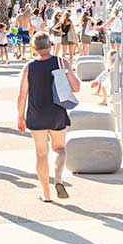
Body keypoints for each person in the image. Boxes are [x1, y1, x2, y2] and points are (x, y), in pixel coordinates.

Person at [17, 32, 80, 202]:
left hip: (36, 114)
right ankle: (58, 178)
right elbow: (76, 88)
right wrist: (67, 73)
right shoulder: (61, 62)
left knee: (41, 154)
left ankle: (45, 194)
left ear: (34, 48)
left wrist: (20, 118)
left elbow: (22, 95)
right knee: (59, 149)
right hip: (57, 112)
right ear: (50, 45)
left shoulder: (29, 67)